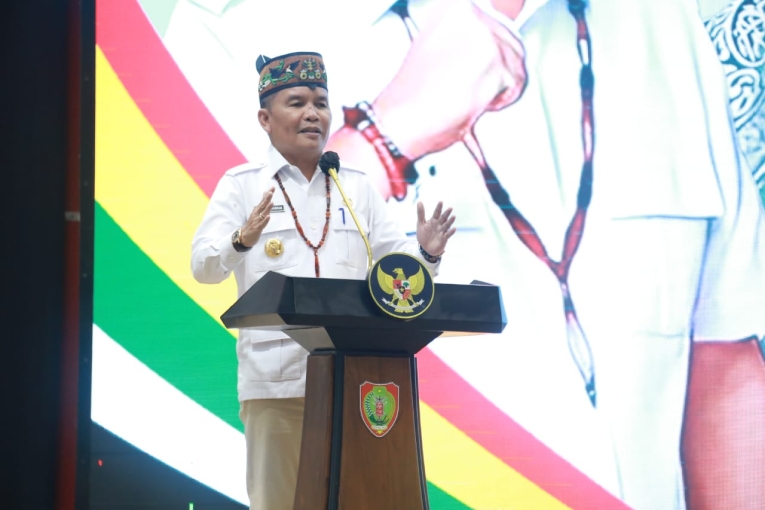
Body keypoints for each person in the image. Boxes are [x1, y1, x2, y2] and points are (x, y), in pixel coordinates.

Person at [174, 2, 765, 508]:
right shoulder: (229, 32)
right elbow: (207, 326)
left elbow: (721, 362)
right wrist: (383, 139)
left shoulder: (660, 17)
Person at [190, 51, 456, 510]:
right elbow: (203, 267)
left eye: (321, 103)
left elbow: (399, 276)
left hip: (355, 381)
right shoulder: (242, 185)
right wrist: (241, 239)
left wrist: (427, 254)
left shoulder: (356, 187)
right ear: (265, 119)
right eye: (297, 103)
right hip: (277, 384)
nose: (313, 114)